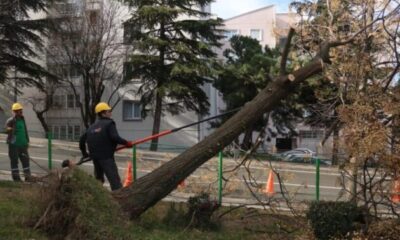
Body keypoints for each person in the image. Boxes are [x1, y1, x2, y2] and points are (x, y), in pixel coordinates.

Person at [79, 102, 130, 191]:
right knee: (115, 182)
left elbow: (81, 140)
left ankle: (97, 198)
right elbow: (115, 137)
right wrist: (126, 143)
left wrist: (85, 154)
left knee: (98, 181)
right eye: (109, 111)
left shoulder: (92, 127)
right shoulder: (109, 123)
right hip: (106, 157)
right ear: (103, 113)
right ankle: (119, 201)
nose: (111, 113)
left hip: (95, 158)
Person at [5, 103, 31, 182]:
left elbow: (25, 131)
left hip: (23, 145)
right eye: (19, 111)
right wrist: (9, 129)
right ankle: (16, 178)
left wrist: (27, 140)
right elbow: (6, 129)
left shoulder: (23, 119)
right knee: (14, 161)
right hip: (14, 145)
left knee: (26, 161)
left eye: (21, 110)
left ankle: (28, 177)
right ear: (15, 111)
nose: (20, 112)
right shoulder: (11, 120)